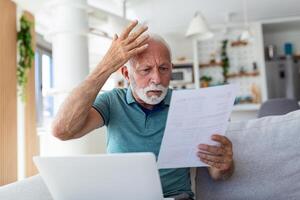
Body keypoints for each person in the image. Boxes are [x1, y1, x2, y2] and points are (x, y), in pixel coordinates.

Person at [52, 20, 234, 200]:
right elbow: (62, 130)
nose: (156, 78)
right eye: (146, 70)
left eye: (163, 68)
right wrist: (106, 65)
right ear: (125, 74)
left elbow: (218, 175)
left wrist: (224, 165)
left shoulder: (189, 105)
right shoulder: (112, 101)